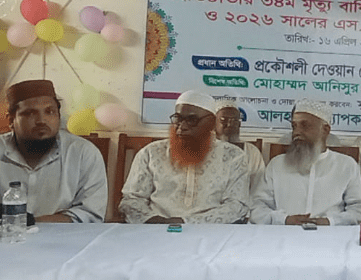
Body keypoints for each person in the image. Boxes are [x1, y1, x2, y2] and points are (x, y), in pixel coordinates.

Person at [119, 91, 249, 224]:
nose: (182, 127)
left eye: (192, 120)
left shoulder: (233, 156)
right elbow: (132, 200)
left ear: (211, 123)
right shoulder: (151, 153)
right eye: (178, 119)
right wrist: (153, 221)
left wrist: (186, 222)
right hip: (155, 228)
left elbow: (236, 206)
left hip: (209, 230)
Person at [0, 79, 107, 223]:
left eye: (49, 112)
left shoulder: (83, 153)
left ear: (58, 115)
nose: (41, 120)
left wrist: (30, 223)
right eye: (30, 113)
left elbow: (90, 214)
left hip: (65, 236)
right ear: (11, 120)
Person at [250, 99, 361, 225]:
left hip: (330, 234)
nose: (297, 132)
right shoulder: (276, 165)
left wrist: (330, 222)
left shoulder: (347, 165)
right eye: (294, 126)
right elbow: (257, 209)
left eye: (305, 126)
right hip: (284, 233)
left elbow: (359, 212)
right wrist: (285, 220)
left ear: (325, 130)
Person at [214, 100, 265, 193]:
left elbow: (258, 187)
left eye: (234, 120)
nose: (229, 124)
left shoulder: (252, 152)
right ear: (214, 123)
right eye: (223, 120)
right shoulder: (205, 150)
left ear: (240, 124)